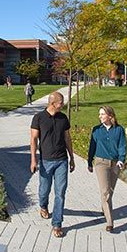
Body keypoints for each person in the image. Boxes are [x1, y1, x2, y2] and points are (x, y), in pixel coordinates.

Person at [30, 91, 75, 238]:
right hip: (46, 161)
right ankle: (43, 206)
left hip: (62, 160)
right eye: (61, 102)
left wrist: (72, 158)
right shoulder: (38, 118)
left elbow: (67, 138)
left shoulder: (63, 118)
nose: (63, 105)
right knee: (44, 190)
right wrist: (33, 159)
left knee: (60, 193)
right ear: (52, 103)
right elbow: (33, 140)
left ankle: (57, 224)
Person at [87, 106, 127, 232]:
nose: (100, 116)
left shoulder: (119, 130)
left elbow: (122, 145)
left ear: (110, 116)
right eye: (99, 114)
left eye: (102, 114)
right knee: (105, 191)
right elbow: (92, 147)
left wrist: (121, 159)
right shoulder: (96, 130)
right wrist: (89, 162)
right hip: (101, 163)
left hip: (115, 164)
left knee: (110, 190)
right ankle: (110, 222)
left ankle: (104, 207)